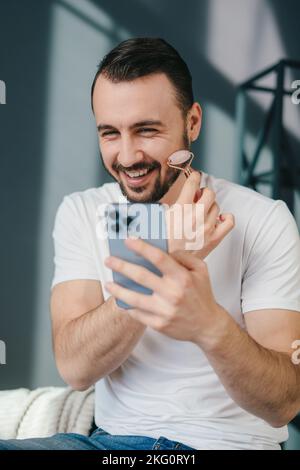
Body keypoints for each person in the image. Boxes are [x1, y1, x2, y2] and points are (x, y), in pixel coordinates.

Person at [1, 37, 300, 451]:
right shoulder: (83, 211)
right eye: (110, 133)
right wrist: (170, 258)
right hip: (110, 445)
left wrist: (208, 325)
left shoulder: (265, 220)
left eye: (146, 130)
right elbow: (75, 368)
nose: (127, 156)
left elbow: (283, 401)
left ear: (192, 122)